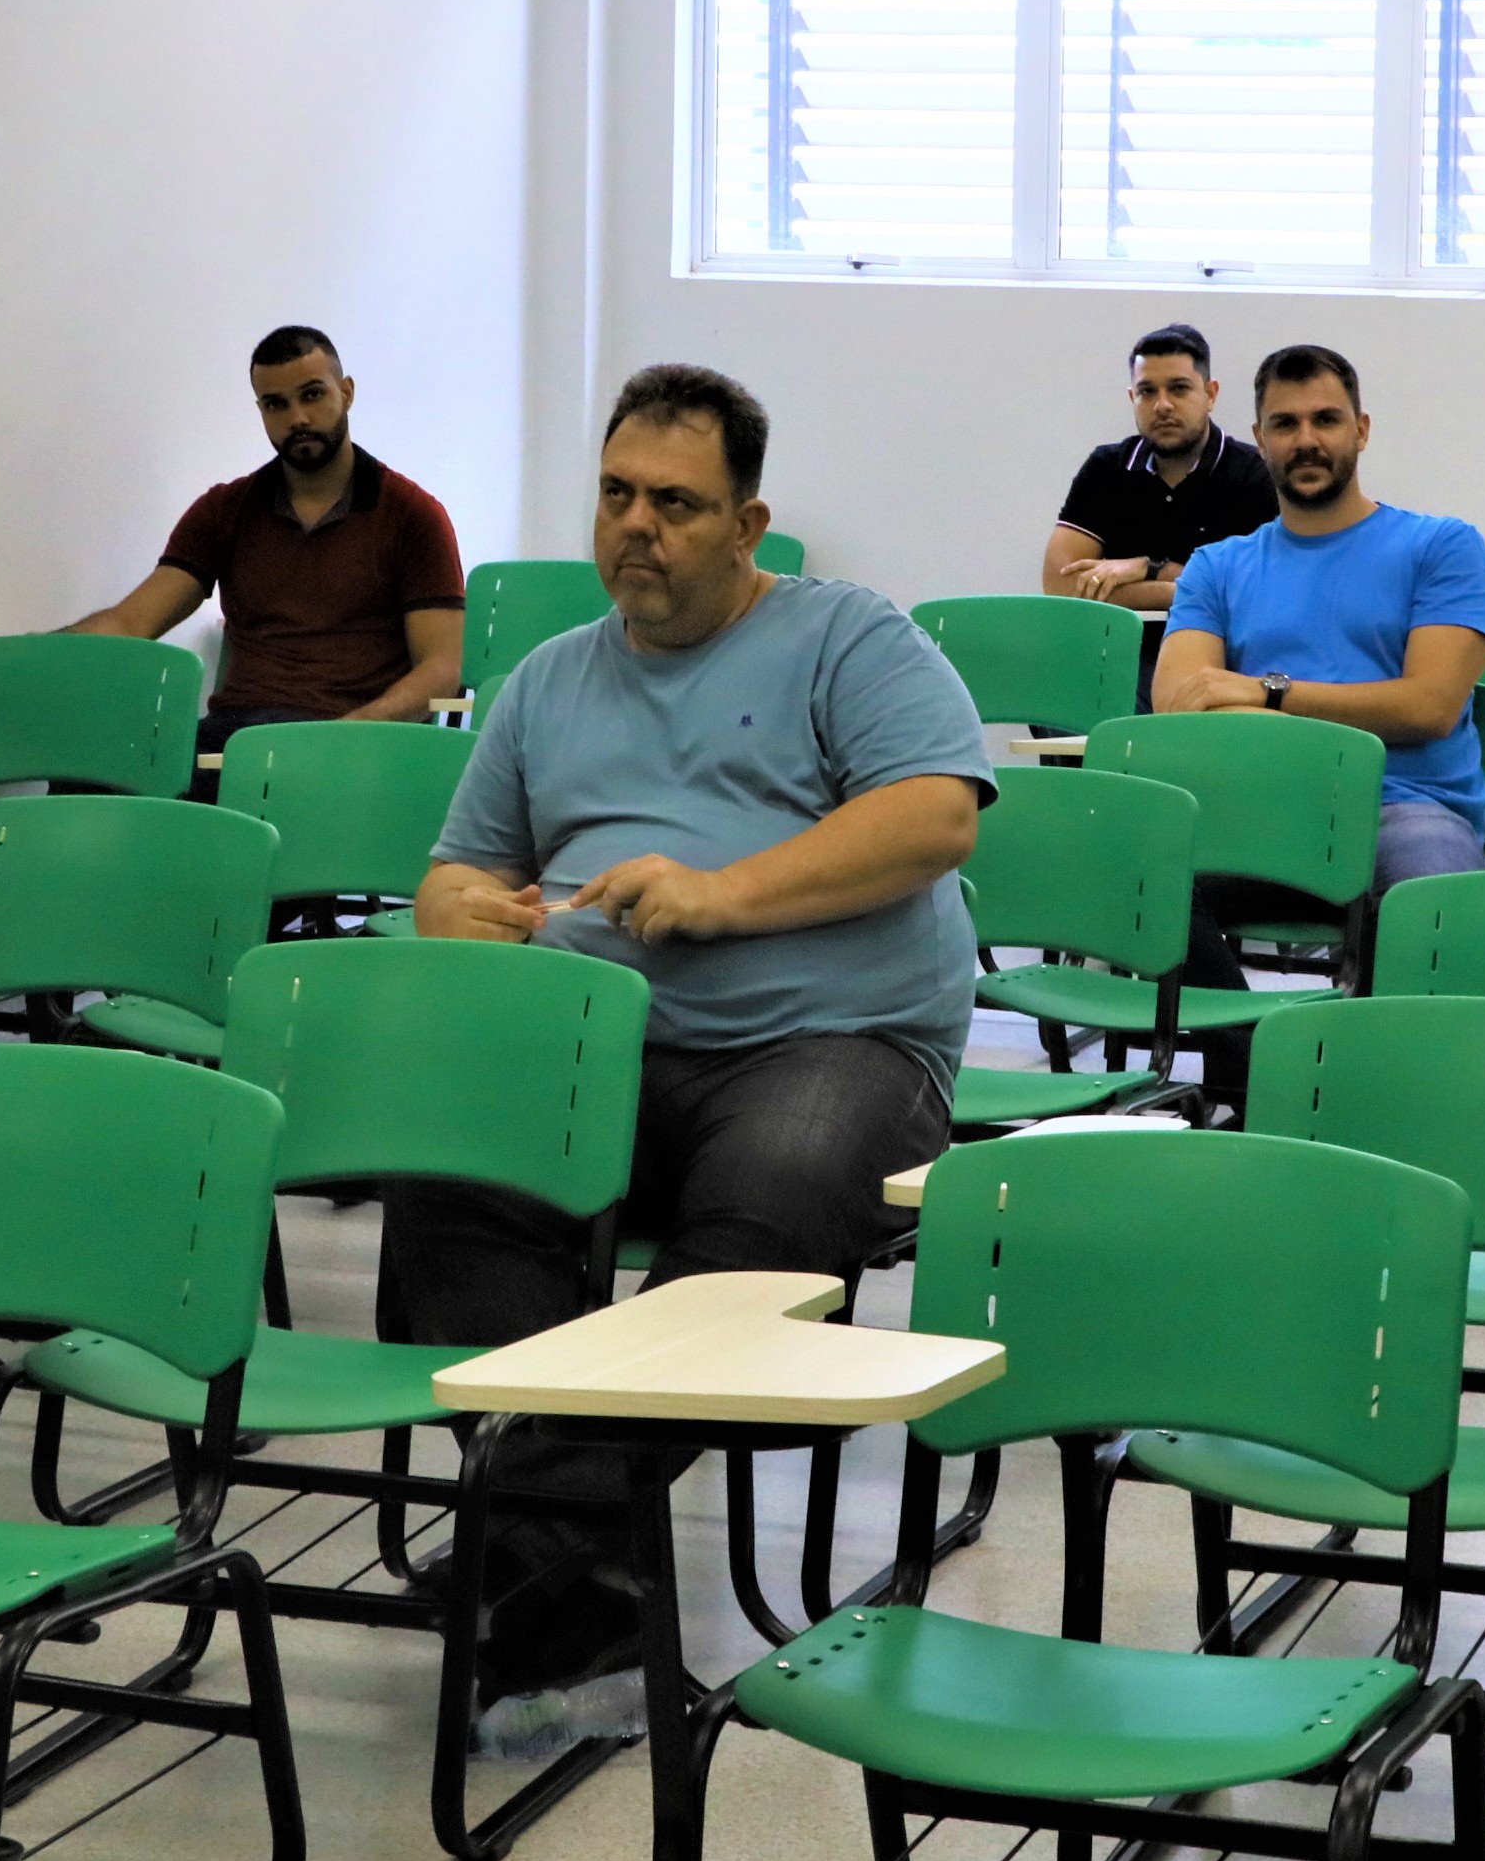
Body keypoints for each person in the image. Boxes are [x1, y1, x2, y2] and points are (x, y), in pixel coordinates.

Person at [402, 362, 988, 1754]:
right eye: (617, 494)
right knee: (448, 1180)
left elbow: (936, 818)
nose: (636, 526)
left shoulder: (848, 636)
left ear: (748, 524)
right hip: (605, 1054)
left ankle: (525, 1536)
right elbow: (452, 874)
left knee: (765, 1199)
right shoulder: (550, 678)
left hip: (838, 1047)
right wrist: (462, 912)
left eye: (675, 503)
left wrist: (724, 896)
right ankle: (572, 1575)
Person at [1150, 344, 1485, 896]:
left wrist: (1265, 693)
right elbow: (1182, 705)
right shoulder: (1216, 567)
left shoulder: (1441, 546)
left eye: (1327, 420)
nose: (1306, 441)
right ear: (1260, 438)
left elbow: (1428, 707)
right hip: (1255, 810)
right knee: (1134, 869)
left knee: (1434, 890)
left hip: (1401, 810)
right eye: (1285, 424)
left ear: (1361, 430)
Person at [66, 324, 464, 744]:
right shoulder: (223, 511)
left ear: (346, 392)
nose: (297, 419)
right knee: (91, 761)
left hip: (354, 745)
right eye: (276, 404)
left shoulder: (413, 515)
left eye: (312, 395)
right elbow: (130, 621)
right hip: (236, 736)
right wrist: (37, 653)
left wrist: (347, 735)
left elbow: (443, 669)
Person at [1039, 322, 1275, 700]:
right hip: (1113, 655)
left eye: (1178, 389)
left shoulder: (1254, 475)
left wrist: (1147, 567)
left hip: (1221, 660)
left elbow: (1255, 595)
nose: (1162, 405)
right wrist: (1181, 590)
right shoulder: (1106, 468)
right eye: (1147, 392)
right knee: (1056, 693)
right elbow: (1062, 585)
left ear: (1210, 394)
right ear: (1132, 397)